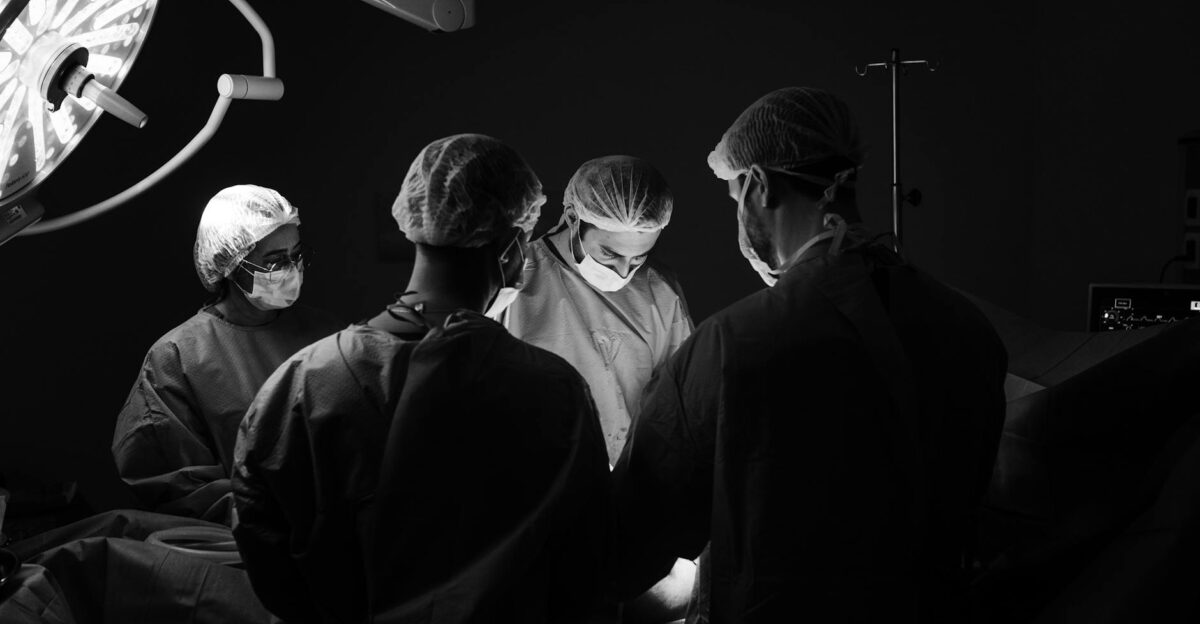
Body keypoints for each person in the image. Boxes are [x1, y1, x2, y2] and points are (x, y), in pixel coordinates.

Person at [608, 87, 1009, 623]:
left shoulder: (734, 344)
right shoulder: (968, 329)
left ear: (758, 185)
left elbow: (628, 540)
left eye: (734, 197)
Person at [231, 134, 611, 624]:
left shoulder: (303, 386)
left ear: (413, 229)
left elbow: (269, 561)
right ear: (515, 248)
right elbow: (586, 571)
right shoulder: (551, 392)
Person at [112, 184, 341, 524]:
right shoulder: (177, 358)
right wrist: (276, 520)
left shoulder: (325, 333)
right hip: (251, 543)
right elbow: (180, 487)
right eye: (275, 261)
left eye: (295, 255)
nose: (291, 269)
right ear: (231, 265)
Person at [497, 155, 693, 465]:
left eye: (638, 258)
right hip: (534, 481)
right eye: (610, 253)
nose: (624, 270)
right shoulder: (515, 280)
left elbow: (681, 403)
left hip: (628, 486)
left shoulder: (660, 291)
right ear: (574, 219)